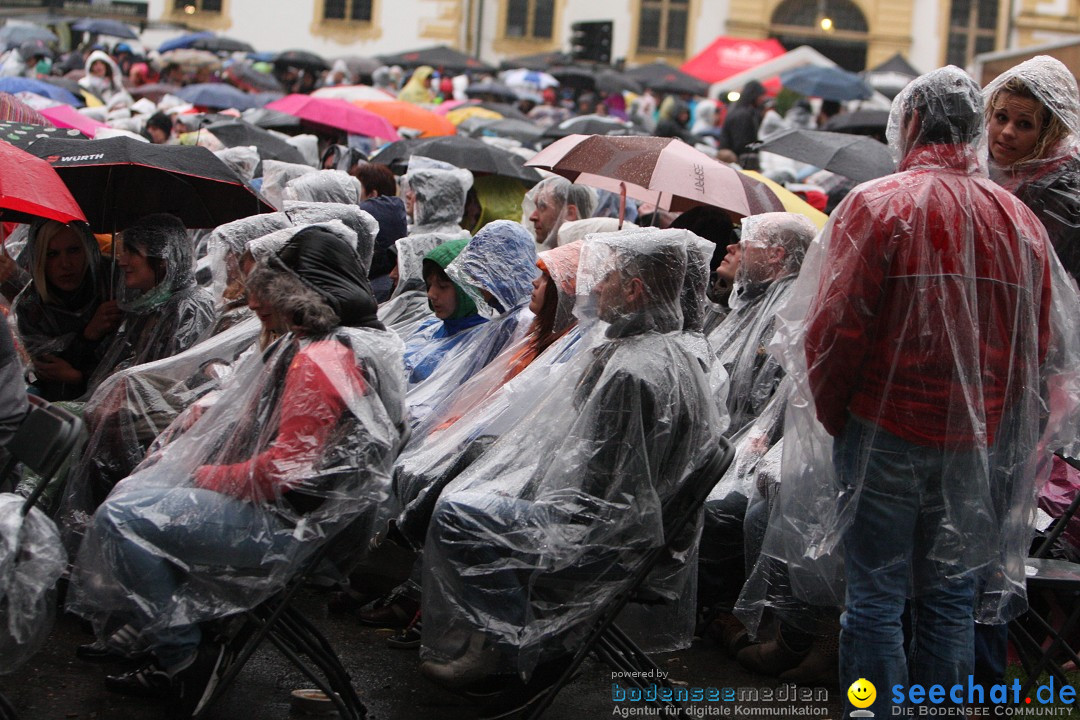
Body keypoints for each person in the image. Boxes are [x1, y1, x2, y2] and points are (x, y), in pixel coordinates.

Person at [775, 67, 1073, 718]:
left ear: (909, 123)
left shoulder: (878, 205)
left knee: (877, 597)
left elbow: (834, 331)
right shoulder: (1018, 222)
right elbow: (1040, 351)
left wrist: (835, 416)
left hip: (883, 434)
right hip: (977, 444)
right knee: (949, 600)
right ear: (976, 129)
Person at [66, 225, 404, 712]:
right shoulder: (350, 343)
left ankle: (183, 657)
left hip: (280, 528)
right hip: (308, 524)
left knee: (123, 517)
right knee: (135, 499)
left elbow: (281, 471)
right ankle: (173, 635)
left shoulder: (321, 356)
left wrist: (203, 477)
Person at [418, 228, 722, 689]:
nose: (595, 288)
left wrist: (526, 488)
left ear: (634, 290)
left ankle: (508, 647)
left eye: (606, 278)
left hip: (605, 538)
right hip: (633, 525)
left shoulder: (632, 370)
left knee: (460, 511)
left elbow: (596, 491)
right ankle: (516, 638)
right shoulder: (668, 354)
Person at [83, 214, 216, 397]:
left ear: (162, 259)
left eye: (132, 252)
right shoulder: (142, 307)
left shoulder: (190, 308)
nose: (122, 261)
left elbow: (179, 382)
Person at [708, 213, 814, 437]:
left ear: (776, 254)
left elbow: (764, 393)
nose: (730, 248)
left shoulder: (787, 313)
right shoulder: (758, 300)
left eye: (745, 245)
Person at [984, 55, 1080, 283]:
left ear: (1049, 136)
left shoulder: (1059, 197)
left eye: (1024, 124)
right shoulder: (983, 171)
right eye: (1001, 117)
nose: (1007, 131)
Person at [13, 220, 121, 401]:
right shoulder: (30, 306)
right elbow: (51, 370)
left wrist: (76, 373)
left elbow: (129, 366)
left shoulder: (114, 281)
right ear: (40, 259)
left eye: (73, 251)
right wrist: (88, 335)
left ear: (87, 250)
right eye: (52, 254)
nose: (65, 264)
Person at [402, 238, 487, 385]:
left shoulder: (483, 342)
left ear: (467, 289)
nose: (431, 294)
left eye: (442, 286)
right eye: (429, 285)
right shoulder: (430, 327)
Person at [523, 176, 597, 249]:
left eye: (542, 207)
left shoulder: (579, 259)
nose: (532, 217)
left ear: (570, 213)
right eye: (536, 206)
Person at [719, 80, 768, 160]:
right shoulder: (743, 115)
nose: (762, 99)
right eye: (761, 96)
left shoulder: (743, 111)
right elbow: (741, 144)